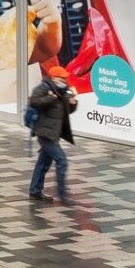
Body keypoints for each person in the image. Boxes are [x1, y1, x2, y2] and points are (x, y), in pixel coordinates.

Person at [27, 63, 78, 202]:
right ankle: (62, 196)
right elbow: (34, 102)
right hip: (45, 133)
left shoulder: (61, 91)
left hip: (53, 133)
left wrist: (73, 102)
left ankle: (35, 191)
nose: (65, 82)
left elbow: (66, 111)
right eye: (63, 79)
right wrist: (51, 98)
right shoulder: (43, 88)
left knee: (43, 163)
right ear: (55, 78)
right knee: (62, 161)